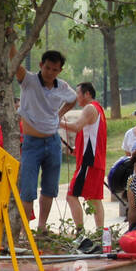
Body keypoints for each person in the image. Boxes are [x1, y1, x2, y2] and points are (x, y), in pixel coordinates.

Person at [12, 48, 78, 231]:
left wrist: (60, 113)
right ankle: (25, 231)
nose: (50, 73)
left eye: (55, 69)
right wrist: (11, 41)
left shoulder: (62, 86)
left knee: (49, 188)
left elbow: (73, 99)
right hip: (32, 143)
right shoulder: (29, 81)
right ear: (41, 65)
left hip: (53, 141)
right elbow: (16, 63)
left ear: (60, 70)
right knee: (27, 191)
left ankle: (42, 227)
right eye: (47, 68)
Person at [59, 82, 107, 248]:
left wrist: (56, 122)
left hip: (89, 162)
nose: (76, 98)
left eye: (78, 94)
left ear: (87, 94)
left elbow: (76, 127)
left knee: (71, 195)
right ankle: (100, 235)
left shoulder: (89, 108)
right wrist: (77, 151)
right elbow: (89, 135)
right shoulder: (98, 109)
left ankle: (80, 233)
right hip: (94, 161)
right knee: (94, 199)